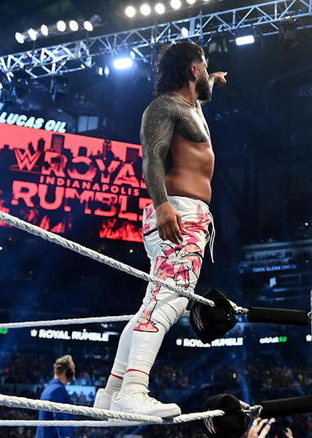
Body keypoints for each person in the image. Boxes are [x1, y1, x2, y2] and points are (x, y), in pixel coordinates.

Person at [93, 41, 227, 418]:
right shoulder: (164, 107)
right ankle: (135, 388)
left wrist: (214, 78)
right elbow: (151, 155)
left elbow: (207, 90)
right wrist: (162, 204)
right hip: (177, 213)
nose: (207, 72)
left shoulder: (193, 104)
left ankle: (112, 391)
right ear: (191, 71)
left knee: (151, 305)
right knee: (170, 301)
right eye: (205, 67)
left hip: (187, 213)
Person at [35, 355, 76, 438]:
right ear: (67, 371)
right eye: (73, 369)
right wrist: (66, 436)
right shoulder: (57, 390)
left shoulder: (50, 388)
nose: (74, 371)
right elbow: (61, 418)